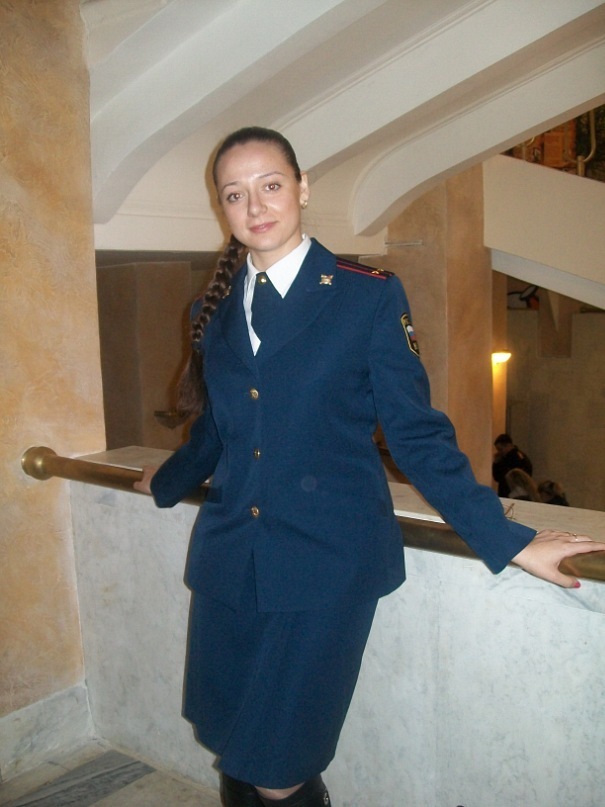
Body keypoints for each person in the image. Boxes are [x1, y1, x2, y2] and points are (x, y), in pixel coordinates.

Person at [134, 126, 601, 807]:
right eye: (235, 194)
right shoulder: (209, 309)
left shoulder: (365, 295)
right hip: (231, 560)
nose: (255, 206)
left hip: (328, 563)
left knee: (276, 764)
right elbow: (218, 429)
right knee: (233, 740)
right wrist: (167, 479)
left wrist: (509, 538)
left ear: (302, 188)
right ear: (221, 207)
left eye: (270, 185)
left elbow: (416, 435)